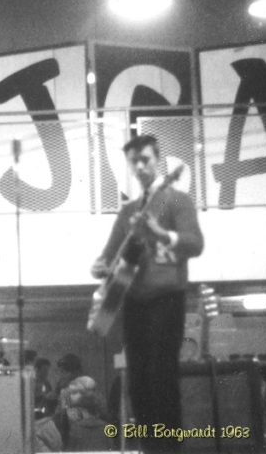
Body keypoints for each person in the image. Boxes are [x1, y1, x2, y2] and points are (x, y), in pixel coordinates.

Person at [91, 134, 204, 454]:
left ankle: (170, 449)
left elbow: (195, 244)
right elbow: (108, 256)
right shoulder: (128, 211)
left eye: (146, 159)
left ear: (158, 160)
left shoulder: (178, 201)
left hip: (168, 298)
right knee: (138, 380)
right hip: (134, 303)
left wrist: (161, 233)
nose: (140, 167)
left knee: (162, 375)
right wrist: (99, 267)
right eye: (135, 162)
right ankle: (150, 449)